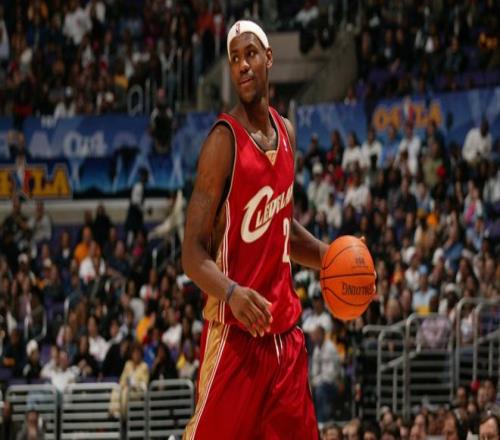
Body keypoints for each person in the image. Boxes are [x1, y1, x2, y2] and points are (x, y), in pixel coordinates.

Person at [182, 20, 328, 439]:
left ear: (269, 58)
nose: (243, 65)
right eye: (234, 59)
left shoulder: (287, 133)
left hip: (286, 341)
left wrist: (329, 256)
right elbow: (191, 253)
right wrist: (231, 292)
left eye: (250, 54)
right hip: (236, 338)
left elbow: (280, 226)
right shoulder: (222, 141)